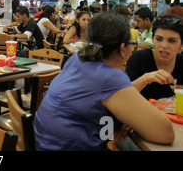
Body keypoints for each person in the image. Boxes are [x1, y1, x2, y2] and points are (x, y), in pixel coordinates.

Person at [34, 13, 174, 151]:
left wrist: (128, 117)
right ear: (122, 48)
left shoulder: (78, 59)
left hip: (44, 144)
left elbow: (113, 97)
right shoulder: (110, 77)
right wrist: (132, 121)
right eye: (132, 44)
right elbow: (166, 133)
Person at [126, 14, 183, 100]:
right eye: (159, 39)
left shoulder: (181, 62)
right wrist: (146, 79)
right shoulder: (139, 59)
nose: (164, 45)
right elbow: (124, 95)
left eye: (172, 41)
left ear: (181, 44)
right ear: (152, 40)